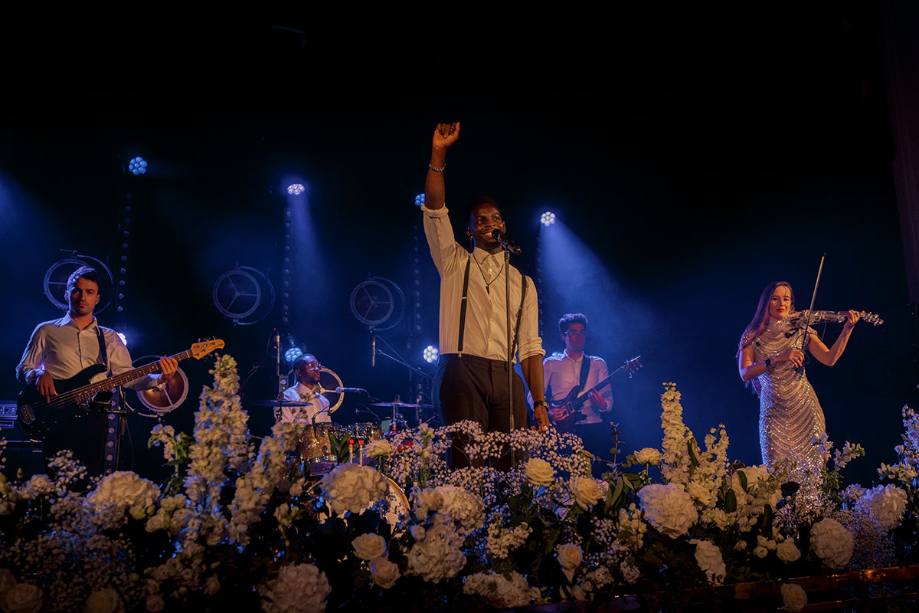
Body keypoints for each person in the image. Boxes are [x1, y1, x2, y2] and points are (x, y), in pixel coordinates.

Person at [421, 121, 550, 467]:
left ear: (504, 226)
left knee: (512, 467)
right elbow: (434, 209)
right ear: (469, 232)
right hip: (463, 370)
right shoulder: (454, 262)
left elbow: (531, 347)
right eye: (481, 220)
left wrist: (539, 402)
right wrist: (439, 152)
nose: (490, 223)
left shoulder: (523, 284)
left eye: (495, 218)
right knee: (469, 467)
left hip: (507, 375)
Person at [16, 266, 178, 476]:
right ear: (66, 294)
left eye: (89, 292)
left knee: (89, 482)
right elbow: (22, 369)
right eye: (76, 290)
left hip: (94, 420)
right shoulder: (46, 330)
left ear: (97, 298)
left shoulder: (110, 337)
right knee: (56, 486)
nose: (82, 297)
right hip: (57, 417)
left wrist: (161, 378)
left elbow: (128, 378)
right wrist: (38, 373)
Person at [737, 281, 860, 479]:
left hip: (805, 410)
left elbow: (829, 359)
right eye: (775, 298)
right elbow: (745, 372)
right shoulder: (752, 335)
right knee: (778, 478)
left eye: (786, 299)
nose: (781, 303)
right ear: (765, 303)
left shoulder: (801, 329)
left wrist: (847, 329)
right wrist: (778, 358)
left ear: (792, 302)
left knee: (811, 477)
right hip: (774, 413)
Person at [541, 314, 613, 443]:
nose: (579, 336)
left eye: (582, 332)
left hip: (593, 428)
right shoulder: (550, 363)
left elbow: (608, 400)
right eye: (573, 332)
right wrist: (548, 411)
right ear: (563, 336)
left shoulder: (598, 363)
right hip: (561, 429)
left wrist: (603, 405)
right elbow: (534, 395)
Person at [280, 354, 331, 425]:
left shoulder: (324, 401)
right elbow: (284, 431)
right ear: (298, 372)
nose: (317, 369)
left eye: (318, 366)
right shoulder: (287, 397)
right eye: (311, 365)